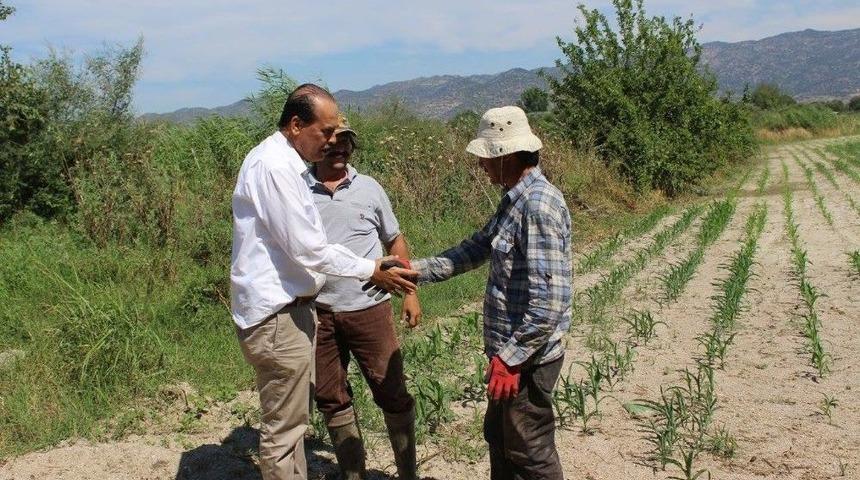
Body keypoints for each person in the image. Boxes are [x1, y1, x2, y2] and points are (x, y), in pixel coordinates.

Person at [230, 84, 417, 480]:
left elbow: (390, 238)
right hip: (286, 316)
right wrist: (372, 270)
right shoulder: (278, 169)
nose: (333, 142)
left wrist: (401, 285)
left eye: (341, 136)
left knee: (300, 426)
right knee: (290, 429)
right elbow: (309, 250)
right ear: (297, 125)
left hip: (339, 310)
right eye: (326, 132)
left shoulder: (339, 181)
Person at [410, 106, 571, 480]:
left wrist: (511, 360)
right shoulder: (514, 200)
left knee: (529, 447)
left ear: (507, 156)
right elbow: (476, 248)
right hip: (510, 353)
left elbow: (551, 303)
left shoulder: (537, 206)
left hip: (527, 358)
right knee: (501, 437)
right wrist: (414, 272)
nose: (480, 165)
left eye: (486, 157)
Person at [308, 118, 421, 480]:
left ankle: (408, 473)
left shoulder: (369, 188)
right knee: (330, 396)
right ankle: (353, 474)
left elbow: (395, 240)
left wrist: (410, 293)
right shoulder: (298, 191)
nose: (341, 148)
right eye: (333, 142)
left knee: (391, 391)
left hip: (369, 308)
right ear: (317, 144)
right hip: (318, 313)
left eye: (347, 142)